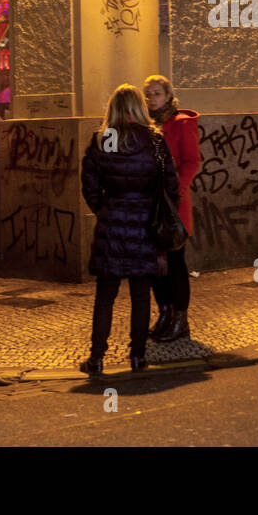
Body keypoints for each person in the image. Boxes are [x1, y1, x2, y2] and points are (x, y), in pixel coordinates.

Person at [79, 84, 179, 376]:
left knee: (105, 295)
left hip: (111, 224)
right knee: (140, 294)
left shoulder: (104, 138)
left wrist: (105, 209)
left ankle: (96, 358)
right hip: (145, 224)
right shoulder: (154, 140)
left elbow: (90, 185)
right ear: (140, 107)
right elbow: (170, 185)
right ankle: (138, 356)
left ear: (113, 108)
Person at [143, 74, 200, 343]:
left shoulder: (181, 124)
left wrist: (178, 188)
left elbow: (192, 161)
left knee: (175, 263)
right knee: (155, 264)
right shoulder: (142, 124)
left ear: (167, 96)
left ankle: (181, 320)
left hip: (174, 205)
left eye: (156, 93)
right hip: (149, 204)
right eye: (148, 94)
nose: (151, 98)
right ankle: (164, 313)